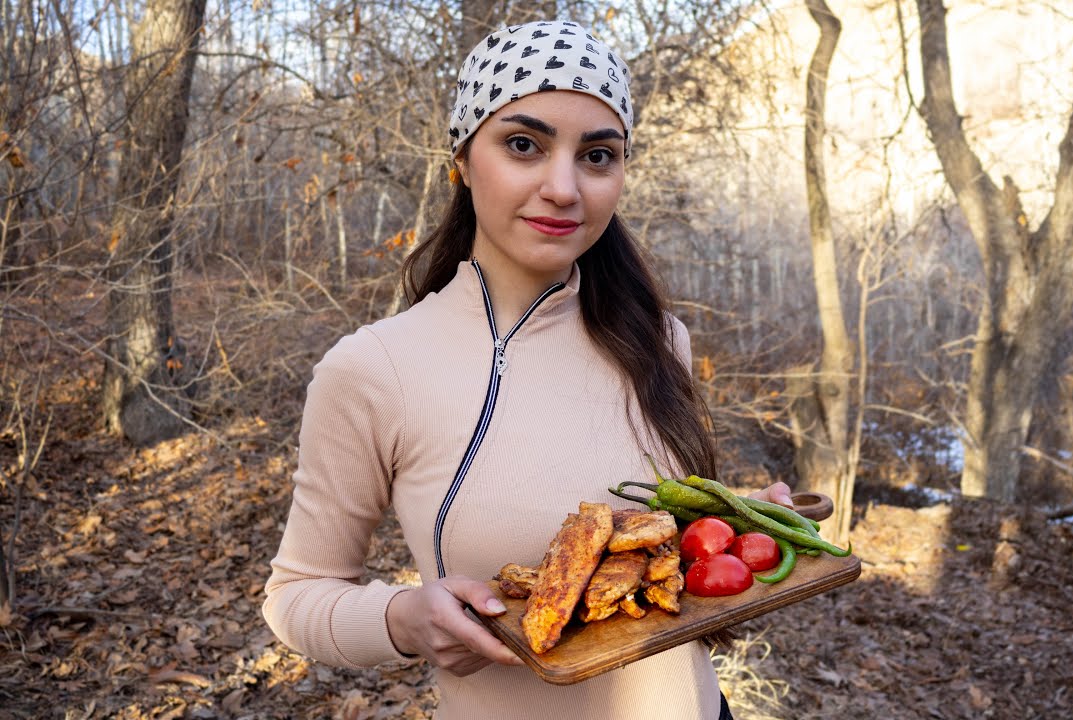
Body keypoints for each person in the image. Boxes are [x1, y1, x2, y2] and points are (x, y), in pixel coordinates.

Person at [262, 19, 793, 720]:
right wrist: (401, 619)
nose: (564, 187)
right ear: (461, 157)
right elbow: (298, 594)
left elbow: (660, 579)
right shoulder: (373, 369)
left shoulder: (657, 339)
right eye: (524, 145)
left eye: (598, 155)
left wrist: (739, 545)